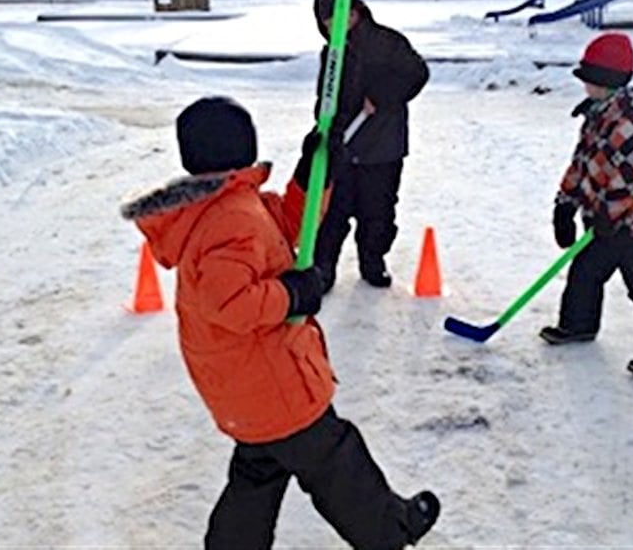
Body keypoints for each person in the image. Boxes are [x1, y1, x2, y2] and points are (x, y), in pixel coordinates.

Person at [121, 96, 439, 549]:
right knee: (335, 458)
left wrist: (312, 175)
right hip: (272, 382)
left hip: (244, 386)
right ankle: (390, 529)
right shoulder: (230, 218)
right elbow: (230, 303)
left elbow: (288, 225)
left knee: (257, 472)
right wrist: (294, 293)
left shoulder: (226, 204)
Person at [538, 32, 633, 379]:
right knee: (585, 274)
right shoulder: (598, 115)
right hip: (602, 221)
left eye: (589, 80)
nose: (584, 87)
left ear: (606, 82)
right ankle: (578, 325)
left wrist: (610, 214)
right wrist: (565, 205)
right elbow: (581, 163)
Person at [311, 0, 430, 292]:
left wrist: (381, 95)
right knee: (333, 213)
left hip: (382, 146)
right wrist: (323, 128)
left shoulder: (388, 42)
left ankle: (372, 262)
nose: (335, 26)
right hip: (343, 147)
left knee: (377, 212)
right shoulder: (333, 53)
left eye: (342, 17)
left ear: (356, 12)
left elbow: (417, 74)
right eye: (327, 23)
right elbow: (325, 97)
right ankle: (324, 268)